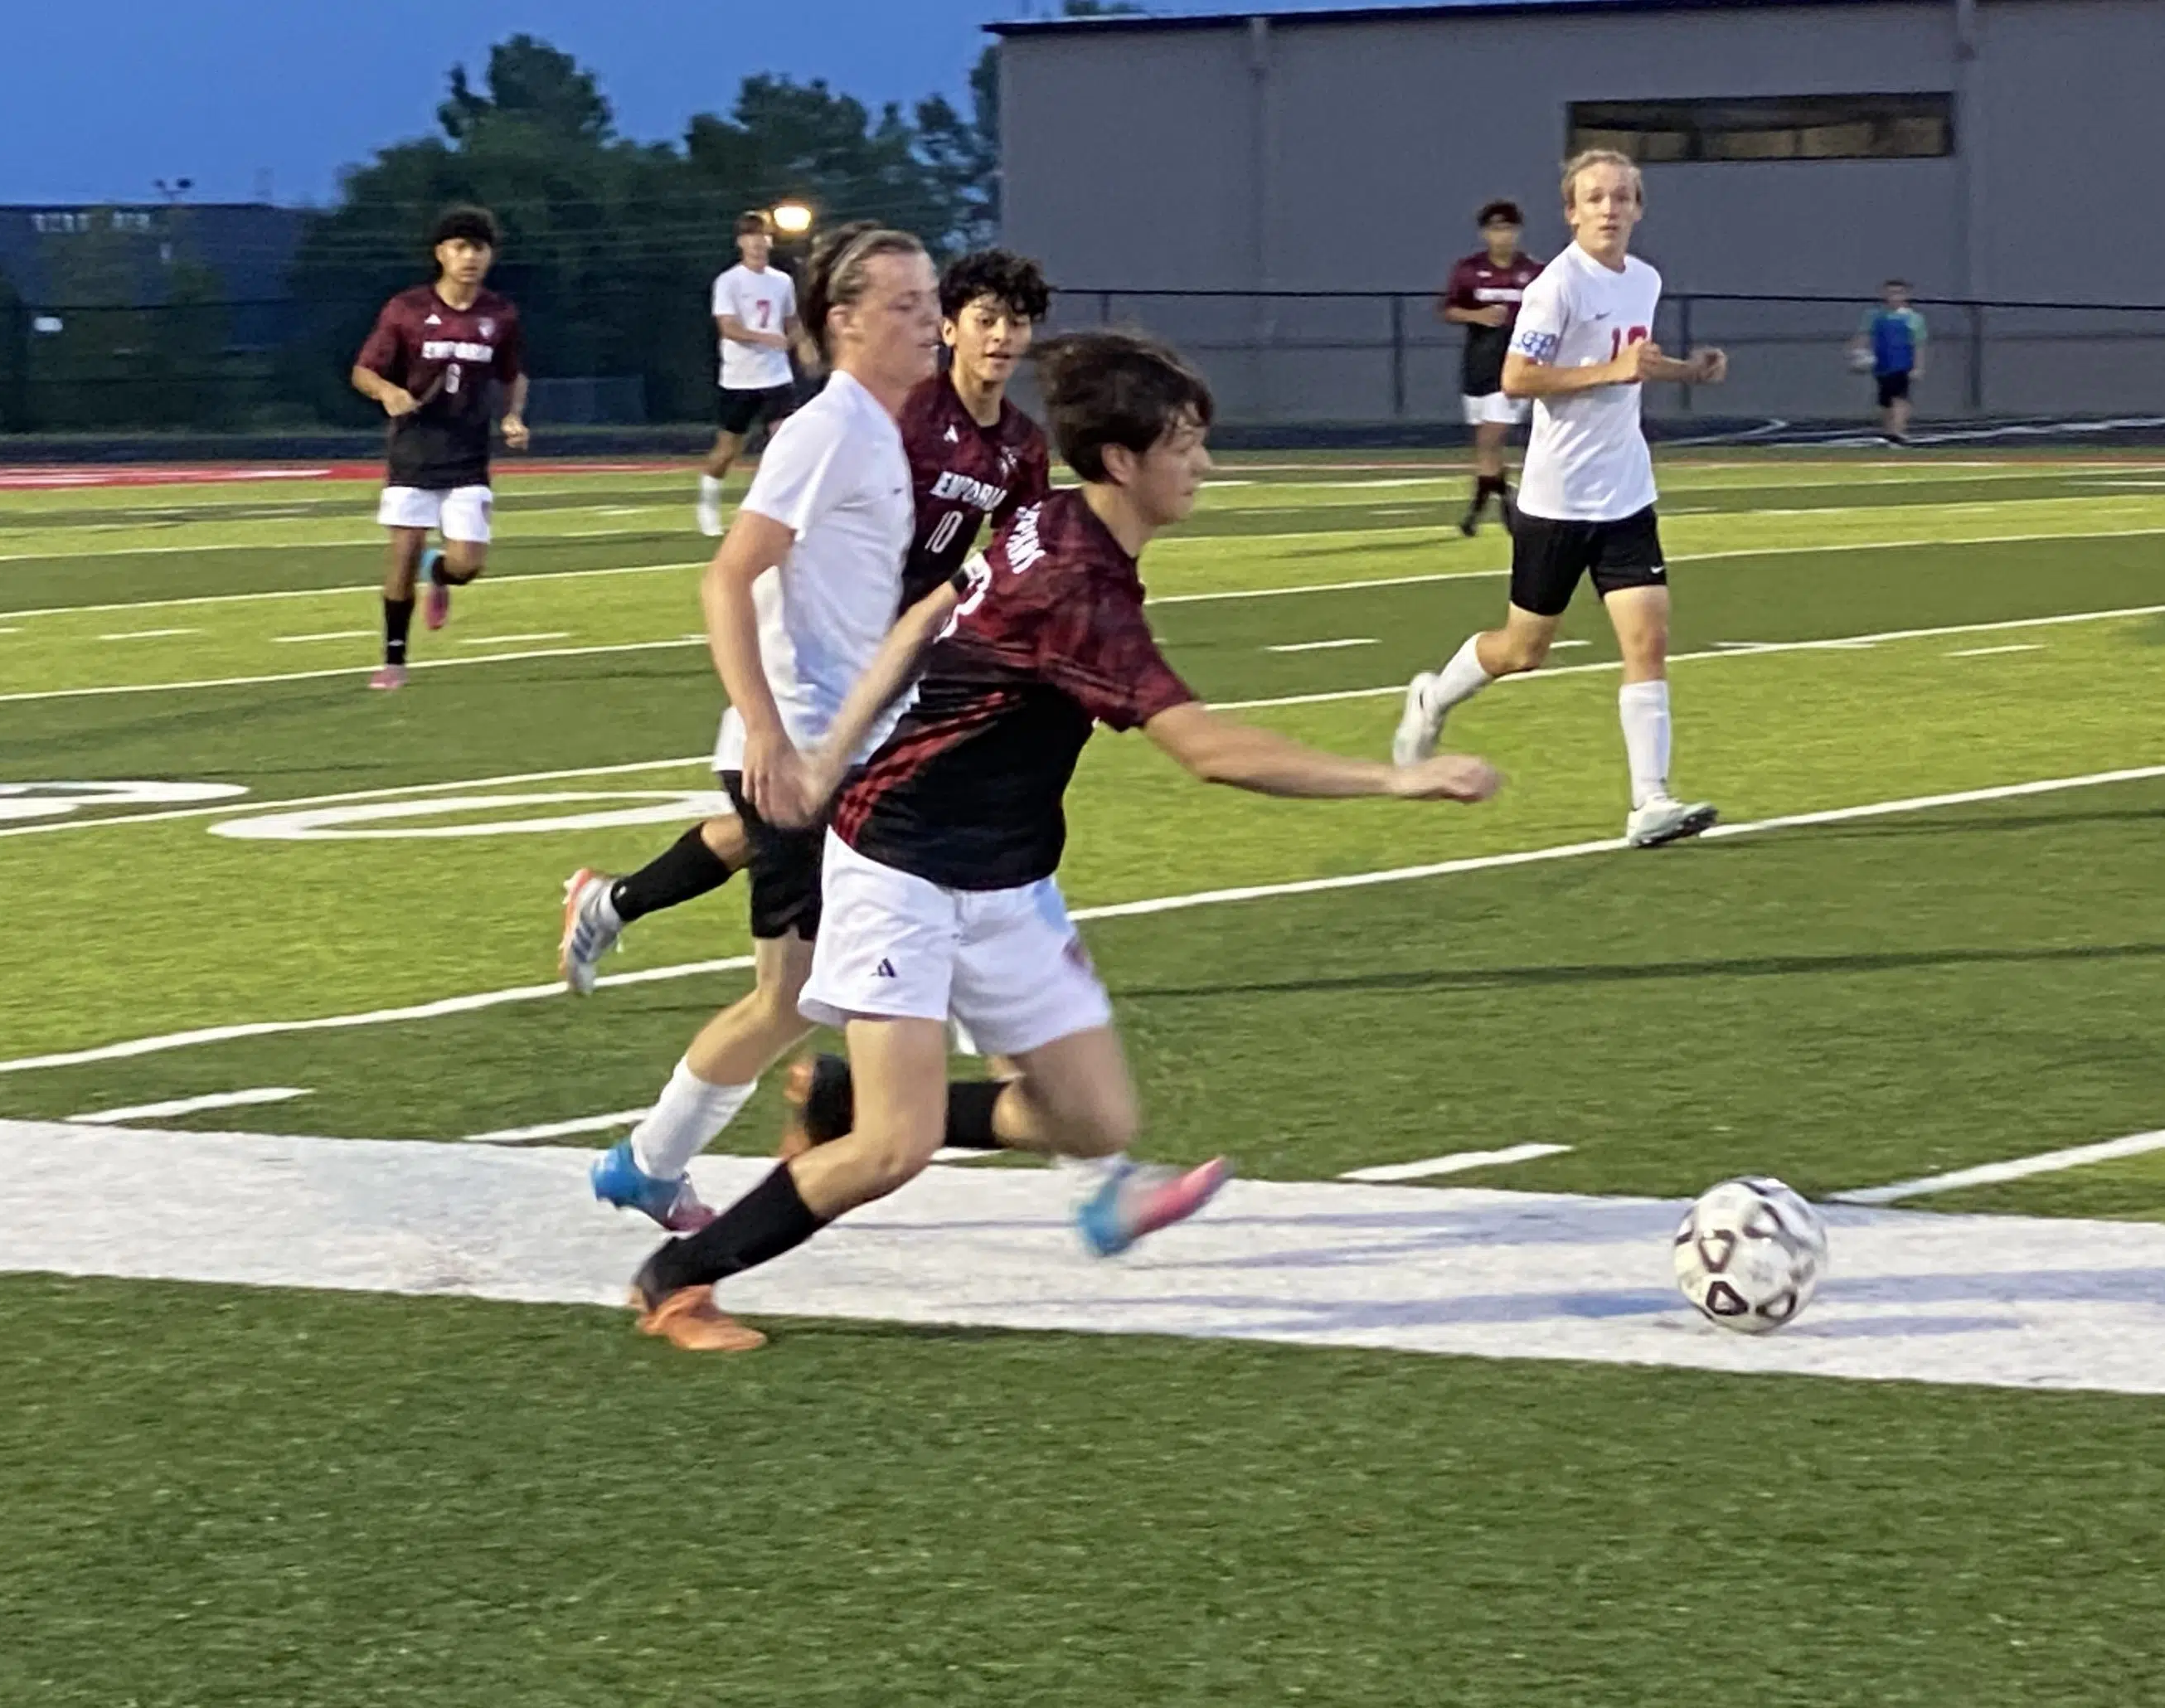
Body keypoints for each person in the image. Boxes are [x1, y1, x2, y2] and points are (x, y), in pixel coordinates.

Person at [626, 329, 1502, 1351]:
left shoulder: (1050, 514)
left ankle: (839, 1093)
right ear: (1124, 462)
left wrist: (833, 747)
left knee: (1092, 1123)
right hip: (901, 864)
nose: (1203, 465)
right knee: (890, 1152)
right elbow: (1207, 750)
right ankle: (677, 1276)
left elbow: (930, 613)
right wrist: (1397, 776)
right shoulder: (1079, 591)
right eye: (1184, 445)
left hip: (1005, 877)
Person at [559, 249, 1056, 993]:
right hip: (829, 669)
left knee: (802, 830)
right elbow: (750, 561)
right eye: (985, 319)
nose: (1002, 338)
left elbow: (1016, 556)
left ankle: (615, 901)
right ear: (952, 328)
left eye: (1017, 323)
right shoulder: (894, 415)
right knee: (838, 856)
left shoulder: (1018, 444)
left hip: (907, 669)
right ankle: (924, 1019)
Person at [581, 222, 938, 1235]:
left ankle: (660, 1160)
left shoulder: (876, 428)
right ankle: (669, 1159)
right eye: (906, 305)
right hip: (806, 759)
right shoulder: (827, 430)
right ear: (844, 320)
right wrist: (768, 736)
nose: (929, 323)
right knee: (814, 988)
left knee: (802, 991)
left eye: (930, 301)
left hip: (849, 751)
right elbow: (727, 573)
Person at [1393, 148, 1728, 851]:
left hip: (1627, 493)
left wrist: (1687, 371)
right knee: (1522, 650)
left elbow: (1630, 362)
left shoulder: (1645, 279)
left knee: (1648, 640)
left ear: (1639, 208)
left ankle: (1650, 801)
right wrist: (1613, 369)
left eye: (1621, 197)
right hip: (1559, 500)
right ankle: (1432, 697)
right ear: (1572, 212)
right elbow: (1518, 378)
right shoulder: (1555, 287)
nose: (1609, 209)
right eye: (1595, 199)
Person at [349, 205, 527, 690]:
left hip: (468, 454)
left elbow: (513, 373)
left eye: (479, 248)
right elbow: (363, 371)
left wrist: (512, 416)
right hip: (414, 450)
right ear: (440, 254)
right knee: (402, 553)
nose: (470, 257)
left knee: (468, 563)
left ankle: (443, 577)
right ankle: (394, 659)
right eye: (460, 247)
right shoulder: (406, 309)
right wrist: (388, 392)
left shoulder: (500, 315)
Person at [698, 211, 812, 537]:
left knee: (785, 444)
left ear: (770, 241)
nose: (757, 242)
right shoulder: (729, 281)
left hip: (776, 376)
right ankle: (708, 505)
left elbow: (791, 321)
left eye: (762, 236)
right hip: (739, 379)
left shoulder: (781, 281)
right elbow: (728, 328)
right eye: (751, 236)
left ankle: (781, 514)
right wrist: (767, 338)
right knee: (727, 451)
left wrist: (801, 344)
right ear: (740, 242)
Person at [1441, 200, 1544, 536]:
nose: (1502, 236)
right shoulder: (1469, 269)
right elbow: (1449, 309)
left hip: (1514, 366)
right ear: (1485, 233)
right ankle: (1505, 498)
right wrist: (1478, 316)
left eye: (1508, 229)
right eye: (1495, 229)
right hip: (1478, 362)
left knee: (1490, 439)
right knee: (1486, 446)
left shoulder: (1533, 272)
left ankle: (1478, 511)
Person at [1852, 280, 1927, 444]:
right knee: (1884, 400)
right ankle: (1888, 431)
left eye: (1899, 292)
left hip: (1902, 364)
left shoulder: (1913, 318)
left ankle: (1899, 431)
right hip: (1882, 364)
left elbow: (1918, 344)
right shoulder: (1874, 315)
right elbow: (1864, 336)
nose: (1894, 296)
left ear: (1906, 295)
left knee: (1900, 397)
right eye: (1891, 292)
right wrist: (1858, 355)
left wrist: (1918, 367)